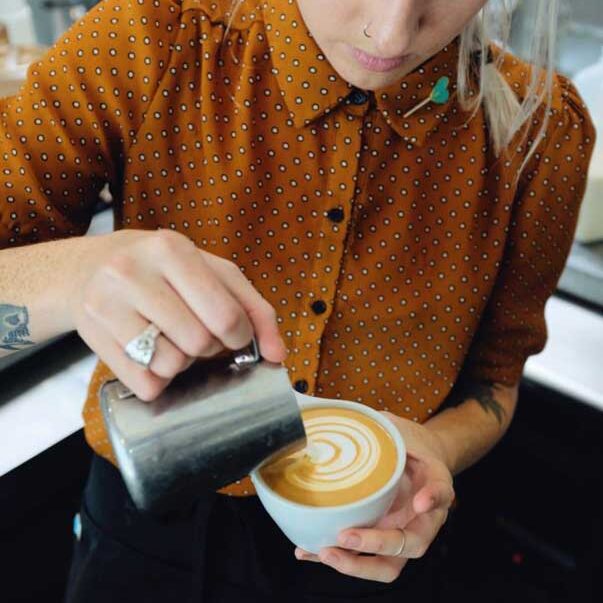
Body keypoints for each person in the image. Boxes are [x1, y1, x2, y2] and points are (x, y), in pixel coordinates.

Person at [0, 0, 595, 601]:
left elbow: (496, 380)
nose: (389, 33)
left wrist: (439, 446)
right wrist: (73, 279)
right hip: (145, 536)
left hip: (380, 543)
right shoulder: (147, 41)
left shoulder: (541, 132)